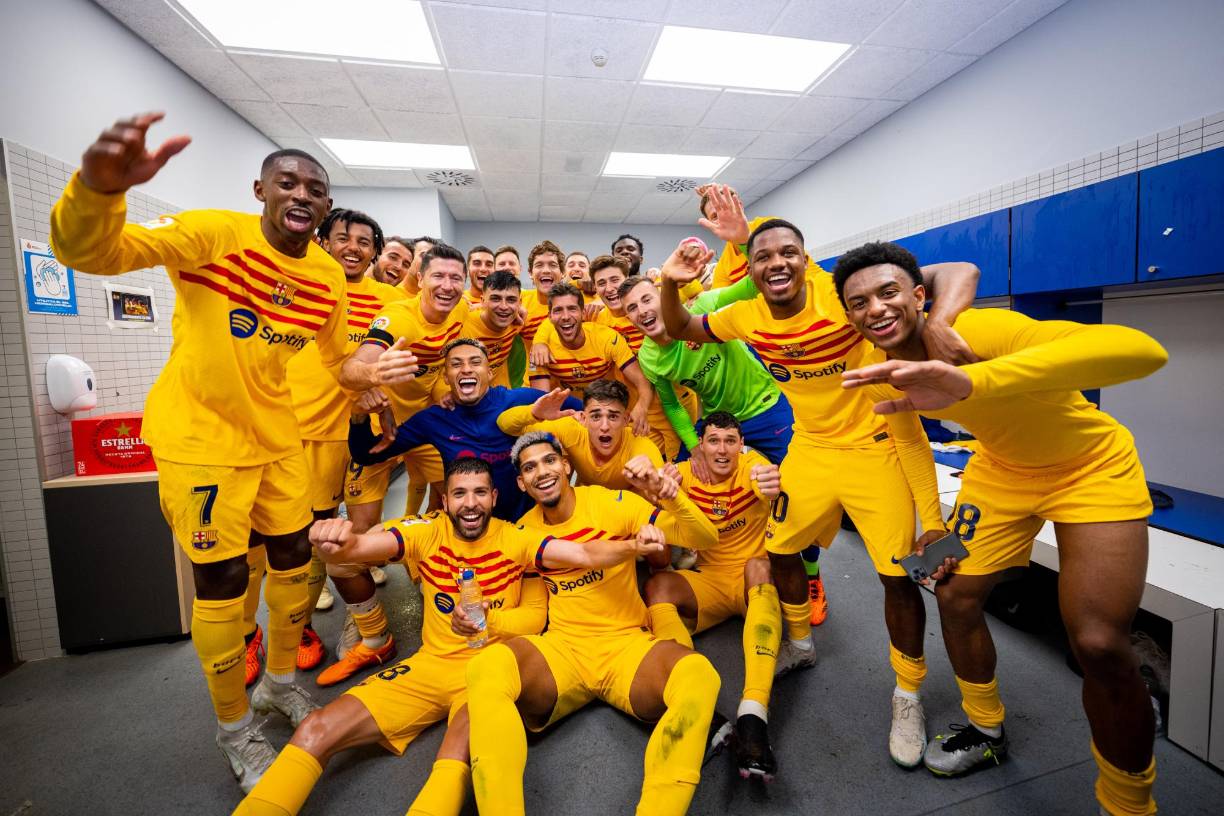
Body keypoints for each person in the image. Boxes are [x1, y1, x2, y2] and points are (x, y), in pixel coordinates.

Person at [49, 112, 348, 791]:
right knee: (221, 581)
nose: (303, 195)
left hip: (279, 438)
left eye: (316, 188)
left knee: (296, 561)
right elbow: (94, 255)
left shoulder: (328, 277)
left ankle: (277, 683)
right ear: (260, 190)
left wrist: (372, 374)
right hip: (201, 441)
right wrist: (97, 192)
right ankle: (236, 727)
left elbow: (337, 357)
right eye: (288, 183)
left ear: (326, 206)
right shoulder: (214, 233)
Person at [836, 241, 1167, 813]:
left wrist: (975, 381)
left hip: (1091, 467)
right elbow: (909, 438)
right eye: (859, 301)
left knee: (1097, 643)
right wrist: (934, 524)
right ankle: (986, 729)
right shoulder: (879, 364)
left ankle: (1128, 803)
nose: (876, 309)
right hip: (1000, 473)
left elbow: (1141, 351)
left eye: (888, 292)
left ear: (919, 295)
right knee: (952, 593)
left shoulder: (982, 330)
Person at [658, 217, 982, 769]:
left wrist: (944, 319)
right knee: (780, 549)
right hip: (808, 448)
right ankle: (800, 644)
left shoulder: (846, 297)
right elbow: (683, 326)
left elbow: (959, 269)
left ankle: (908, 694)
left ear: (807, 259)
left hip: (874, 447)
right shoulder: (745, 315)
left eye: (790, 253)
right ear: (751, 270)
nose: (777, 264)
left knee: (896, 576)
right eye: (763, 257)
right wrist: (669, 283)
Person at [233, 457, 663, 816]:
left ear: (495, 498)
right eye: (459, 493)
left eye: (480, 493)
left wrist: (633, 547)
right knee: (315, 728)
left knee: (450, 759)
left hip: (490, 676)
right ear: (445, 500)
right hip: (431, 666)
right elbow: (363, 548)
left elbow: (584, 554)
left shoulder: (517, 539)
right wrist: (335, 541)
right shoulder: (427, 530)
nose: (470, 503)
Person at [466, 432, 722, 816]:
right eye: (530, 468)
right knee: (486, 665)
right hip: (564, 650)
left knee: (700, 675)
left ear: (566, 465)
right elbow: (534, 613)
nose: (542, 473)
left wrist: (671, 497)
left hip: (627, 648)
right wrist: (489, 618)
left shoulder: (612, 502)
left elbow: (705, 536)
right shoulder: (523, 530)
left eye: (550, 461)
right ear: (521, 482)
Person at [619, 272, 829, 623]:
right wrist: (693, 446)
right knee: (677, 475)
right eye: (631, 309)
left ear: (662, 298)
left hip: (766, 410)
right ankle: (707, 561)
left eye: (646, 300)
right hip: (717, 419)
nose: (641, 311)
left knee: (793, 496)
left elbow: (750, 286)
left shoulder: (702, 307)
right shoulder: (650, 358)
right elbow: (671, 405)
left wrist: (745, 240)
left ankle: (811, 574)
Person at [321, 244, 467, 686]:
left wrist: (443, 383)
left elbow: (453, 358)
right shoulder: (399, 317)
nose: (447, 285)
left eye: (455, 278)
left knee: (459, 514)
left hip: (423, 429)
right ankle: (370, 632)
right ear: (419, 279)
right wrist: (373, 376)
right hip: (377, 432)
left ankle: (450, 600)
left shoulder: (460, 316)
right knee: (353, 546)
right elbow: (353, 369)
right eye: (438, 276)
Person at [277, 207, 402, 674]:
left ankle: (363, 623)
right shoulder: (299, 287)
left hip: (364, 432)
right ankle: (298, 626)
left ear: (374, 252)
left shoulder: (388, 299)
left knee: (359, 535)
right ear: (323, 241)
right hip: (303, 430)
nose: (353, 247)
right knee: (307, 535)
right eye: (343, 237)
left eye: (365, 241)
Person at [642, 412, 793, 781]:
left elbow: (766, 482)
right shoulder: (681, 474)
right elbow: (658, 545)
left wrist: (771, 483)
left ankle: (754, 713)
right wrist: (661, 498)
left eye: (730, 440)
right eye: (713, 440)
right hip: (709, 580)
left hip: (752, 583)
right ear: (700, 447)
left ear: (741, 445)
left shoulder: (753, 465)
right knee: (657, 585)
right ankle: (698, 707)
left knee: (759, 564)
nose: (722, 449)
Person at [349, 337, 581, 521]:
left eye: (475, 362)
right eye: (456, 364)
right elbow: (366, 454)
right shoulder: (433, 420)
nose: (466, 369)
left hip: (529, 523)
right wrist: (358, 414)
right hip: (470, 529)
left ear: (489, 373)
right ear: (446, 378)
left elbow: (586, 408)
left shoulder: (520, 399)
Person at [527, 282, 655, 441]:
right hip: (567, 412)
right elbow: (543, 403)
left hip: (605, 411)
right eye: (558, 310)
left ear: (582, 313)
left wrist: (641, 408)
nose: (566, 316)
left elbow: (642, 381)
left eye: (572, 309)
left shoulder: (607, 338)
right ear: (550, 317)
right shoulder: (541, 351)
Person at [497, 379, 662, 492]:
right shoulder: (570, 428)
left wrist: (660, 481)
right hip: (585, 504)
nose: (605, 427)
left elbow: (660, 487)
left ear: (626, 419)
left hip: (629, 508)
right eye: (596, 416)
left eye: (613, 416)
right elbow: (505, 424)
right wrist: (533, 413)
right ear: (583, 418)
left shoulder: (641, 446)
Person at [460, 270, 527, 388]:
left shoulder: (517, 322)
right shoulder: (462, 325)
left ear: (519, 303)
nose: (504, 307)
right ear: (482, 301)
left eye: (511, 300)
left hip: (501, 394)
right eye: (495, 299)